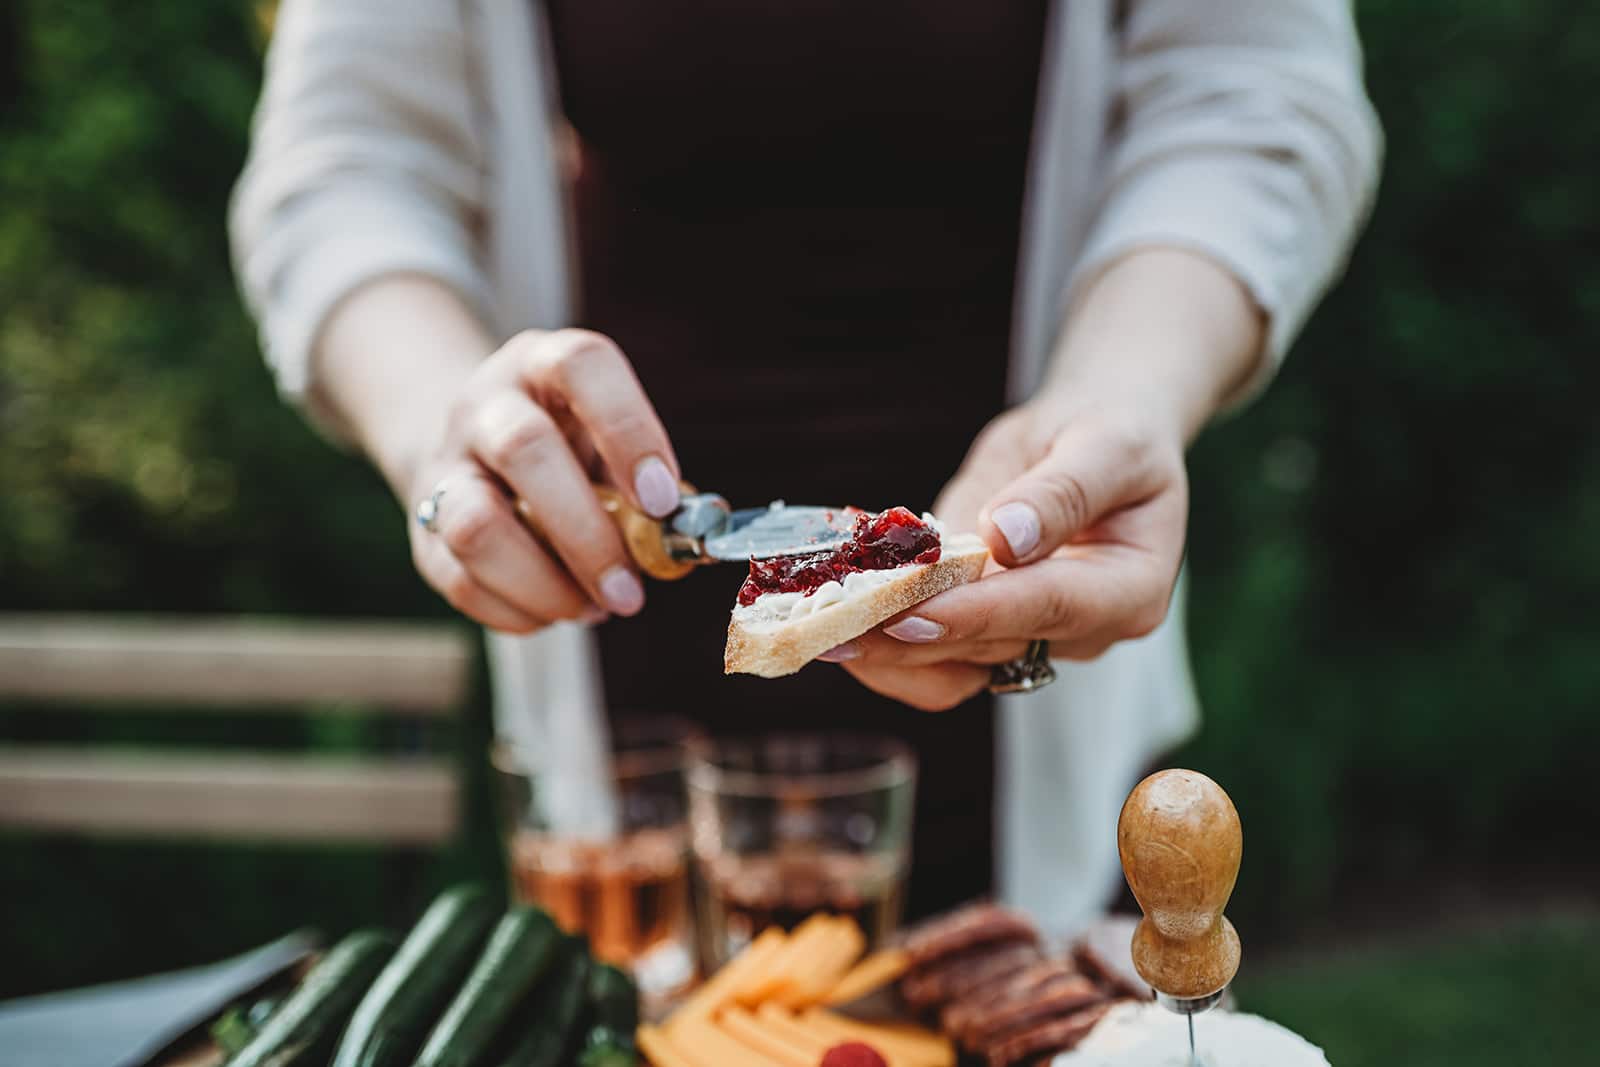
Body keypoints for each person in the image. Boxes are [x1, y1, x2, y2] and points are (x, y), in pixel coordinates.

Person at [231, 1, 1380, 935]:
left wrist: (1125, 389)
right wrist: (450, 423)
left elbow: (1254, 99)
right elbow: (343, 167)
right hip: (619, 668)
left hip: (1033, 610)